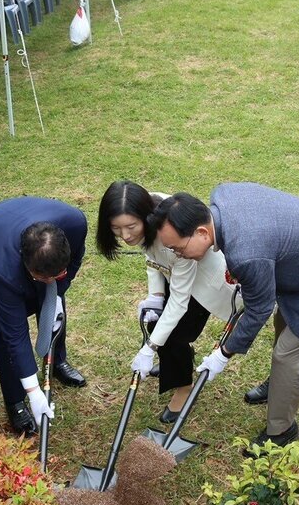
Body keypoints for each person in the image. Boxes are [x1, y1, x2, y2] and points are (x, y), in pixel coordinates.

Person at [149, 184, 299, 449]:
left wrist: (223, 353)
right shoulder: (222, 197)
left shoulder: (246, 253)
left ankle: (281, 432)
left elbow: (259, 308)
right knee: (283, 320)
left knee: (288, 353)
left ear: (202, 232)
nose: (177, 254)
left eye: (177, 248)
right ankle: (279, 387)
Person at [97, 181, 239, 422]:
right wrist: (156, 295)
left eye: (131, 227)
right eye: (116, 228)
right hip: (174, 273)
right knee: (158, 326)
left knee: (174, 334)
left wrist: (149, 348)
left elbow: (179, 302)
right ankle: (173, 365)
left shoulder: (173, 236)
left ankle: (184, 387)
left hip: (201, 282)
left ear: (146, 217)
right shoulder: (148, 213)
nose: (125, 235)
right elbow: (151, 256)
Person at [0, 197, 88, 436]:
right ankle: (15, 401)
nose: (50, 281)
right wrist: (34, 392)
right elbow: (15, 334)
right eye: (40, 277)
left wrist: (58, 290)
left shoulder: (75, 223)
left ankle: (57, 361)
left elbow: (75, 259)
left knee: (52, 301)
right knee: (4, 331)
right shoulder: (3, 268)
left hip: (16, 228)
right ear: (24, 264)